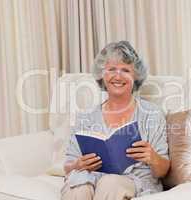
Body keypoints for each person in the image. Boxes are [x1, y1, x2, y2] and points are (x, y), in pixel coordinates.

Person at [61, 41, 170, 200]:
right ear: (102, 74)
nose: (118, 76)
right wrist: (78, 165)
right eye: (111, 69)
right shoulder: (86, 117)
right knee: (78, 186)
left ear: (135, 76)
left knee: (109, 183)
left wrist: (152, 157)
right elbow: (68, 166)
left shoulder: (151, 114)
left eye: (125, 70)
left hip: (134, 182)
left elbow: (163, 171)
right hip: (91, 177)